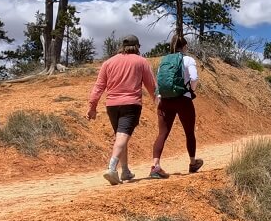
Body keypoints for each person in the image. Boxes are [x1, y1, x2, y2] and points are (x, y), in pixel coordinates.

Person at [87, 34, 157, 186]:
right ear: (137, 46)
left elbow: (99, 86)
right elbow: (151, 85)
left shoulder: (108, 62)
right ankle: (111, 168)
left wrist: (92, 106)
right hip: (131, 104)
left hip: (112, 105)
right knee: (122, 136)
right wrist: (157, 100)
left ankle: (125, 170)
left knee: (121, 136)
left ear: (122, 46)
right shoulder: (141, 61)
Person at [150, 34, 203, 178]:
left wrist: (160, 97)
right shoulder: (188, 59)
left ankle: (155, 166)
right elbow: (194, 78)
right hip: (183, 100)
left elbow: (160, 81)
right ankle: (192, 163)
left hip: (165, 100)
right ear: (185, 46)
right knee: (189, 132)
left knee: (162, 133)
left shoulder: (164, 60)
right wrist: (191, 90)